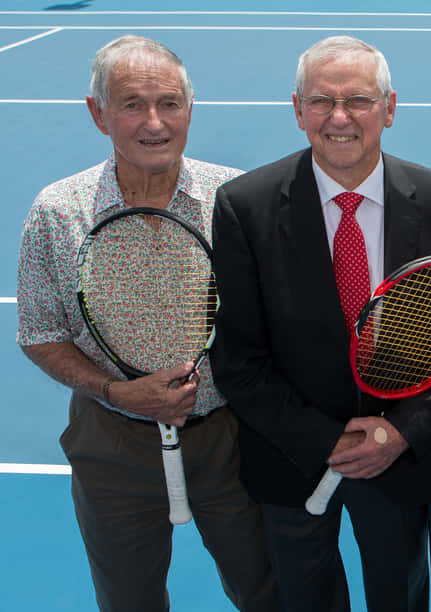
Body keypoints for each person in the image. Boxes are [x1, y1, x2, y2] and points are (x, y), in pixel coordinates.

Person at [209, 35, 431, 612]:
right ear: (297, 109)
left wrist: (401, 432)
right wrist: (326, 440)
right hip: (290, 458)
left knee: (399, 595)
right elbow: (237, 360)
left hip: (397, 456)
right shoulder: (244, 206)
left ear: (390, 107)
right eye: (320, 101)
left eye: (357, 99)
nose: (339, 117)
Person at [15, 35, 279, 612]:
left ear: (191, 108)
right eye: (132, 103)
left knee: (268, 590)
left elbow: (276, 322)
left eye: (170, 103)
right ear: (98, 113)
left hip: (231, 439)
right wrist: (117, 391)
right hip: (111, 445)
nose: (154, 122)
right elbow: (39, 333)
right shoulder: (58, 212)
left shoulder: (238, 199)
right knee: (128, 600)